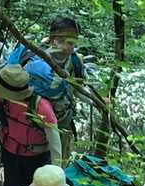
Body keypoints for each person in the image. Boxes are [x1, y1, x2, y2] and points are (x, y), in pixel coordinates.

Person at [0, 62, 62, 186]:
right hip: (9, 150)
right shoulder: (0, 96)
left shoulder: (41, 107)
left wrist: (56, 172)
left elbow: (55, 141)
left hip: (36, 157)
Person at [7, 15, 87, 163]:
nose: (70, 47)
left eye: (73, 42)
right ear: (53, 39)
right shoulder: (32, 53)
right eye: (67, 41)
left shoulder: (75, 61)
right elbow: (8, 82)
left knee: (54, 167)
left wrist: (96, 102)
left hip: (59, 123)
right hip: (23, 123)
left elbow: (78, 89)